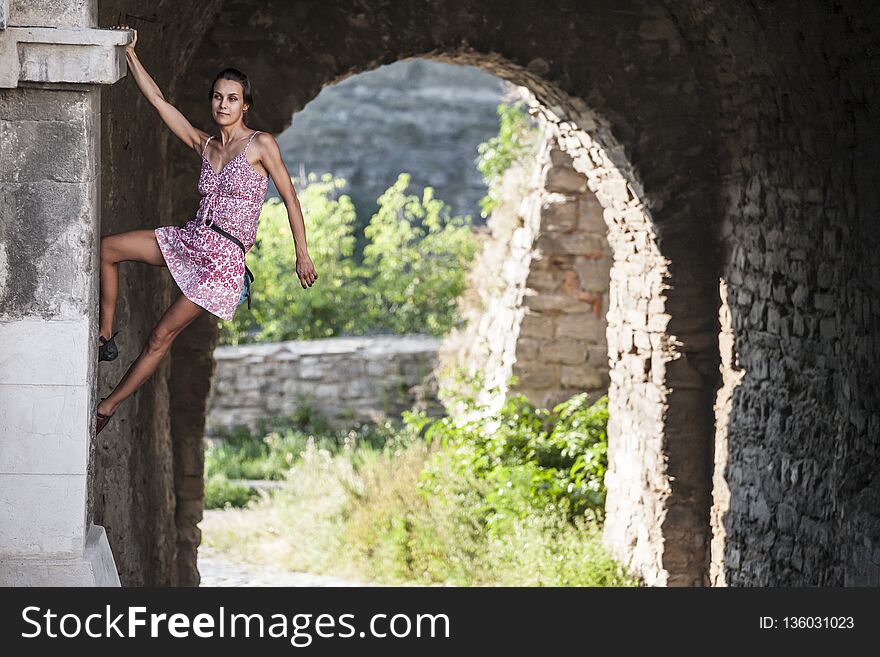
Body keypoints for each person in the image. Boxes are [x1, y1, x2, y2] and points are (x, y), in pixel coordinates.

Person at [96, 24, 318, 435]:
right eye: (218, 97)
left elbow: (290, 198)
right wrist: (130, 54)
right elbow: (160, 103)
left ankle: (106, 407)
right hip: (192, 239)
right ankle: (105, 336)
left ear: (245, 105)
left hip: (222, 263)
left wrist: (301, 253)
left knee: (160, 337)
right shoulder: (205, 146)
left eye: (232, 99)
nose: (223, 104)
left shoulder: (261, 145)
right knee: (108, 249)